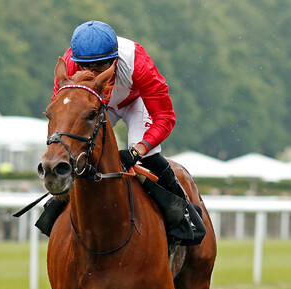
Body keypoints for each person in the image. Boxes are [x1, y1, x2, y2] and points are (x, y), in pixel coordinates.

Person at [38, 20, 202, 245]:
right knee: (76, 152)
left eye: (100, 67)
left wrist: (136, 151)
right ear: (77, 62)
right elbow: (62, 113)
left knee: (148, 157)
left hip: (135, 103)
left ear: (114, 59)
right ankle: (54, 209)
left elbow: (165, 118)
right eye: (87, 68)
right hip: (96, 106)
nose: (93, 73)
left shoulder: (138, 63)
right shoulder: (70, 64)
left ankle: (184, 215)